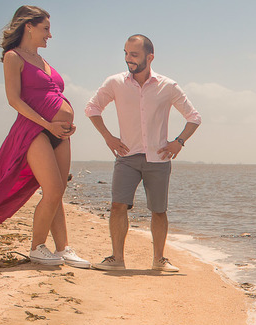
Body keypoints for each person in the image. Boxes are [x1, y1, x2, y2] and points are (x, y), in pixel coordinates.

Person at [0, 5, 90, 268]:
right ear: (29, 26)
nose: (50, 35)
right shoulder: (14, 57)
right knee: (53, 188)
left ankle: (64, 249)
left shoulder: (44, 62)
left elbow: (53, 97)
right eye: (45, 29)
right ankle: (37, 248)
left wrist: (67, 124)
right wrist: (48, 124)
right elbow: (14, 100)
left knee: (58, 191)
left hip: (58, 132)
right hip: (33, 130)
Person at [85, 34, 201, 272]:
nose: (129, 59)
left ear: (150, 57)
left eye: (134, 55)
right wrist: (108, 137)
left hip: (158, 159)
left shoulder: (168, 86)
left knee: (159, 211)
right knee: (118, 205)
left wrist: (179, 142)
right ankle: (117, 259)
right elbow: (92, 108)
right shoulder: (115, 82)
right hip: (126, 157)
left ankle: (159, 260)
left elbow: (194, 117)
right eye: (126, 53)